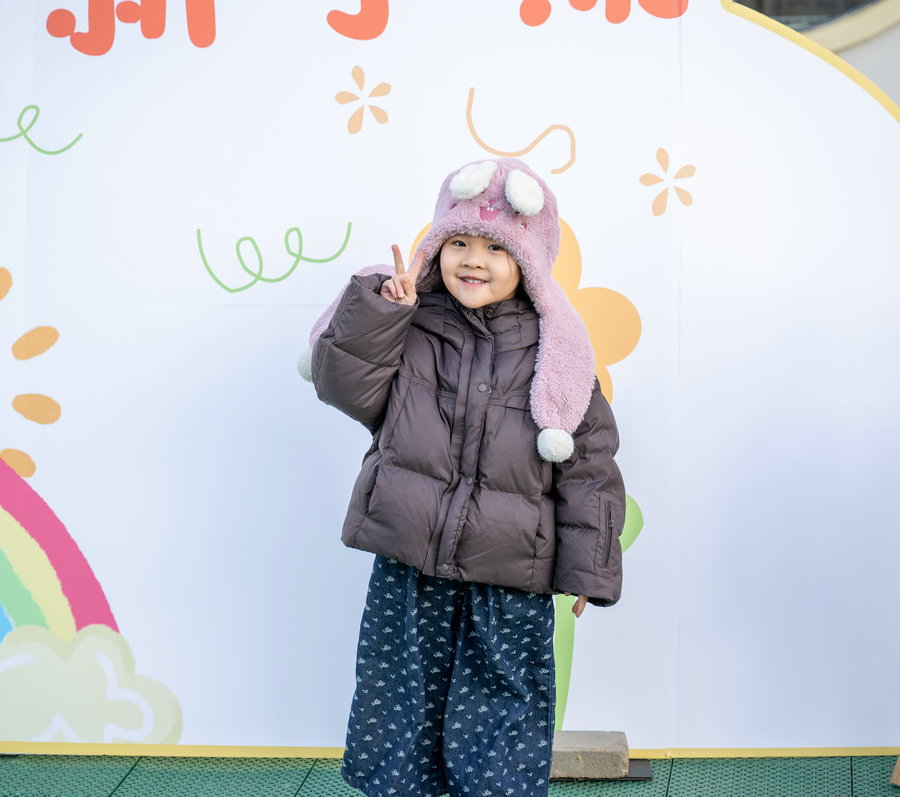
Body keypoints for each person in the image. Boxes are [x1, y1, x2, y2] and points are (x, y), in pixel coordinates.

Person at [301, 158, 625, 796]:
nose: (474, 260)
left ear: (529, 261)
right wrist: (382, 315)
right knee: (400, 710)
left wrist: (590, 565)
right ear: (436, 247)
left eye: (495, 249)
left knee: (501, 721)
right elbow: (344, 387)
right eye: (459, 243)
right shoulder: (411, 322)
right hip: (410, 564)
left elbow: (589, 466)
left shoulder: (557, 353)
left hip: (509, 578)